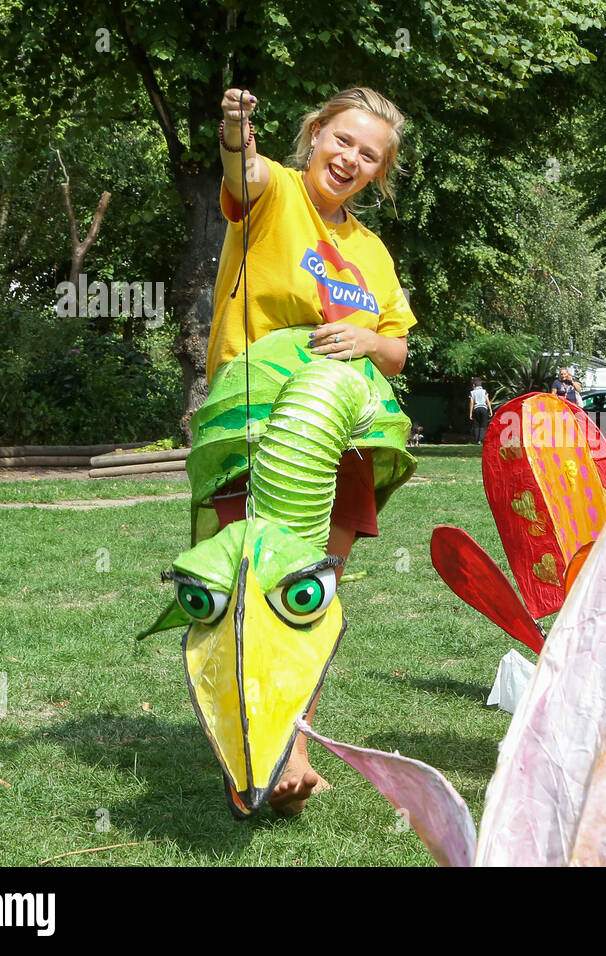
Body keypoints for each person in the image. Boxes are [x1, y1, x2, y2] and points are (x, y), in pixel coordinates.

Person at [209, 85, 417, 815]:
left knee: (310, 589)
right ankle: (256, 757)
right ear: (316, 133)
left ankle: (292, 749)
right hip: (258, 423)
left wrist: (367, 340)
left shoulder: (372, 251)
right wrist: (237, 129)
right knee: (251, 585)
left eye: (370, 155)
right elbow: (242, 173)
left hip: (348, 436)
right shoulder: (275, 195)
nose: (351, 159)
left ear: (377, 174)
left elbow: (395, 348)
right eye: (343, 140)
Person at [468, 377, 492, 443]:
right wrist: (490, 410)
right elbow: (487, 400)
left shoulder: (472, 392)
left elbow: (471, 403)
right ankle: (480, 440)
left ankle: (477, 440)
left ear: (474, 385)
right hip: (484, 409)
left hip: (476, 409)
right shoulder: (484, 391)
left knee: (476, 425)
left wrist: (470, 413)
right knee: (483, 425)